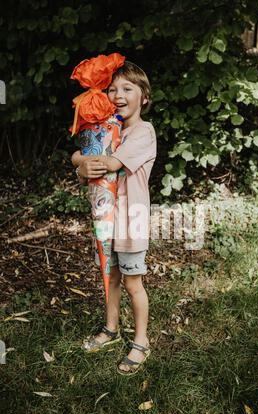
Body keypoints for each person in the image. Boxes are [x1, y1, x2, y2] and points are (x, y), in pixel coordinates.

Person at [71, 61, 157, 375]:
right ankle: (111, 328)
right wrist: (80, 161)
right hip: (105, 219)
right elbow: (90, 154)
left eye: (127, 89)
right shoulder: (110, 128)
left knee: (133, 283)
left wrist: (80, 159)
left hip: (130, 223)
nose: (118, 95)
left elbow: (108, 163)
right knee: (112, 280)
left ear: (144, 97)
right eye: (112, 89)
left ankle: (141, 341)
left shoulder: (143, 132)